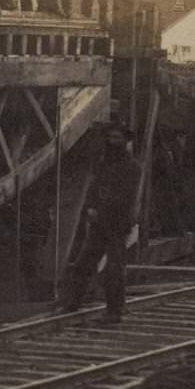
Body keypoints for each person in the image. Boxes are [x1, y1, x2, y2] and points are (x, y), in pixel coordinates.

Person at [62, 123, 142, 321]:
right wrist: (90, 206)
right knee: (84, 264)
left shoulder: (132, 168)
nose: (112, 142)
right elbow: (93, 189)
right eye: (110, 138)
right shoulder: (102, 164)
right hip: (99, 223)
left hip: (117, 223)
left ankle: (114, 311)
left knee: (114, 268)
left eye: (117, 138)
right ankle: (72, 304)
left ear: (125, 141)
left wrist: (100, 209)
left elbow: (125, 197)